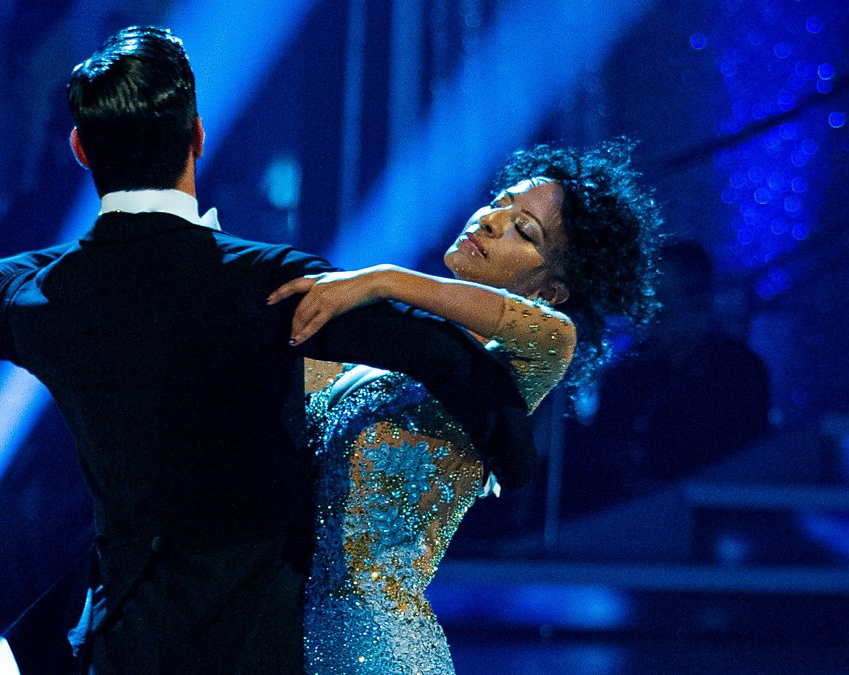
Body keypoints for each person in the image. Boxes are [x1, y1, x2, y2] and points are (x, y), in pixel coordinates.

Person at [0, 27, 536, 674]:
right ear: (198, 136)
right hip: (252, 640)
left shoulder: (47, 297)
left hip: (126, 643)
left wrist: (101, 255)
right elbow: (437, 350)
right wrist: (508, 449)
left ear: (80, 149)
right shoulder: (270, 281)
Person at [267, 139, 663, 673]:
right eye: (500, 202)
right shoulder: (371, 357)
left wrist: (382, 279)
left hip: (380, 652)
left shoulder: (527, 358)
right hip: (289, 638)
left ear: (552, 290)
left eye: (525, 231)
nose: (492, 221)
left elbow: (553, 337)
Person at [560, 240, 770, 516]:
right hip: (625, 516)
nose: (648, 311)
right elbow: (602, 446)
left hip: (701, 515)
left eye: (660, 297)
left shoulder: (737, 370)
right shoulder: (632, 371)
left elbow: (738, 459)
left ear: (698, 298)